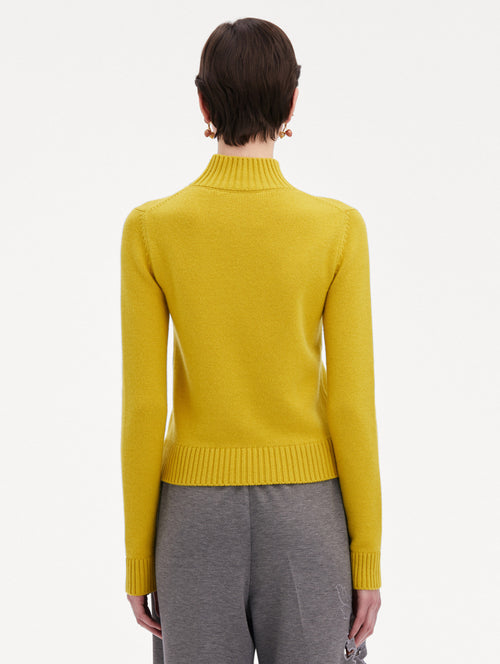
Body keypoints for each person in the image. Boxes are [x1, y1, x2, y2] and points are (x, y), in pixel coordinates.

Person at [120, 17, 382, 664]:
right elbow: (352, 407)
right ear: (291, 102)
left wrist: (138, 561)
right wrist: (367, 558)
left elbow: (144, 409)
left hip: (191, 523)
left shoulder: (151, 229)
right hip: (309, 518)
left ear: (203, 103)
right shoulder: (337, 230)